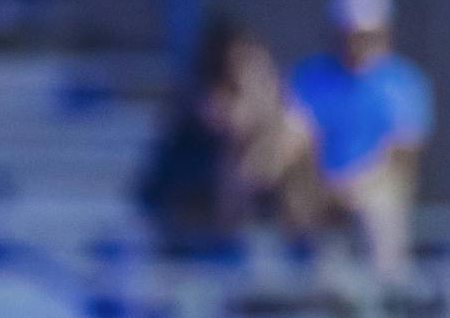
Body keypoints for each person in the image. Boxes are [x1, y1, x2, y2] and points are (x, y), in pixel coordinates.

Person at [137, 18, 328, 255]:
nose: (254, 81)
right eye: (243, 69)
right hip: (197, 228)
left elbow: (280, 157)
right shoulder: (192, 123)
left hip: (266, 232)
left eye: (261, 73)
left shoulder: (290, 126)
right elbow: (158, 189)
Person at [288, 0, 428, 280]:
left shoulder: (403, 83)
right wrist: (323, 186)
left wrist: (351, 186)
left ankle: (389, 296)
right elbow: (298, 141)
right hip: (319, 188)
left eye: (367, 35)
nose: (358, 43)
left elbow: (402, 159)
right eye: (351, 35)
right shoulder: (311, 78)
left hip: (375, 187)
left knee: (379, 209)